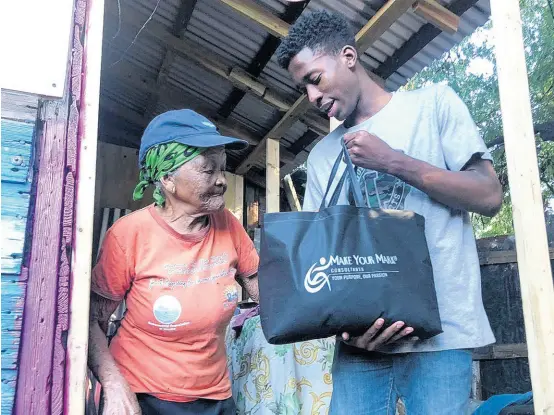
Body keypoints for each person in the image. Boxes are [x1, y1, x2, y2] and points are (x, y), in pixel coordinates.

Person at [276, 10, 502, 415]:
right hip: (362, 347)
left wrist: (395, 162)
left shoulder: (433, 105)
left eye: (314, 79)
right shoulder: (324, 155)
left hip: (442, 338)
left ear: (348, 56)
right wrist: (345, 333)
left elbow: (488, 196)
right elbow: (323, 257)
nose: (311, 97)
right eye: (303, 89)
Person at [87, 109, 260, 415]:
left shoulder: (228, 225)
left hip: (216, 396)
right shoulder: (130, 234)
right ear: (167, 178)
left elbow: (266, 291)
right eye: (208, 170)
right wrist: (114, 387)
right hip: (143, 394)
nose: (222, 181)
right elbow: (89, 319)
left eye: (223, 169)